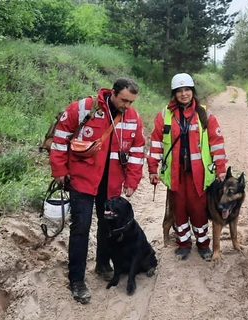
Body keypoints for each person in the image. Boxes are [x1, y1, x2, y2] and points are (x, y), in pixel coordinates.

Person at [49, 78, 146, 303]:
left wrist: (132, 180)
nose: (127, 106)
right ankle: (76, 279)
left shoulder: (133, 118)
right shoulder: (83, 108)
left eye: (131, 102)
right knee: (81, 228)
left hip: (111, 183)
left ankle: (103, 265)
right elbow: (60, 138)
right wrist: (59, 170)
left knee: (108, 227)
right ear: (112, 93)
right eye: (124, 100)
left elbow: (138, 151)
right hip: (82, 180)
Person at [147, 73, 227, 261]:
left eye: (187, 90)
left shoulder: (204, 114)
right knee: (179, 208)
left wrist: (221, 169)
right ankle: (183, 243)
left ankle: (203, 244)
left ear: (193, 91)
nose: (184, 94)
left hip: (198, 174)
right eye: (179, 91)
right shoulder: (164, 114)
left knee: (199, 209)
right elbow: (156, 142)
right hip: (175, 173)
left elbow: (217, 143)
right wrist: (153, 168)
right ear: (174, 93)